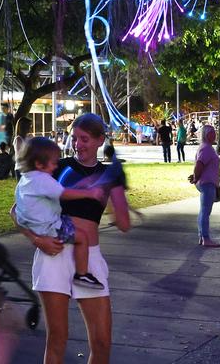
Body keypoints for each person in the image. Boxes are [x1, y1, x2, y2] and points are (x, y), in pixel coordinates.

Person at [11, 113, 131, 364]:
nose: (78, 144)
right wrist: (36, 240)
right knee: (57, 339)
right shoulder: (54, 166)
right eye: (75, 138)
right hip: (53, 255)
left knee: (102, 342)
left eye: (85, 139)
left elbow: (123, 224)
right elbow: (16, 211)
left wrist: (116, 191)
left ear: (100, 140)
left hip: (90, 258)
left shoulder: (109, 174)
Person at [14, 137, 107, 289]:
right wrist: (89, 193)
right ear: (39, 164)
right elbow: (64, 193)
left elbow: (18, 209)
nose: (56, 166)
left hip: (36, 226)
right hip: (51, 228)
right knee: (82, 238)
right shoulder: (43, 179)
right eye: (53, 162)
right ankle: (82, 274)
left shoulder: (25, 179)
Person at [189, 125, 220, 247]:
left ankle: (202, 236)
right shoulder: (207, 148)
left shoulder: (205, 147)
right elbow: (200, 164)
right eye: (212, 132)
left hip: (207, 182)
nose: (215, 134)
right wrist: (195, 176)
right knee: (205, 211)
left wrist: (195, 176)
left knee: (204, 211)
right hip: (207, 183)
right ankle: (205, 238)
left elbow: (200, 165)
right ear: (206, 135)